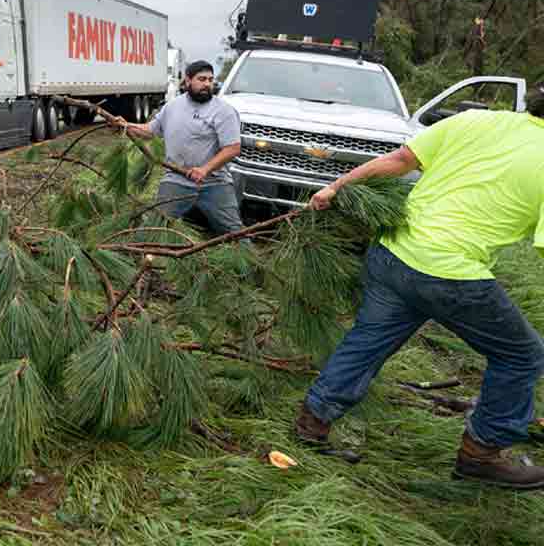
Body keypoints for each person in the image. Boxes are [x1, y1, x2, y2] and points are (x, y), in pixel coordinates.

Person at [296, 83, 544, 489]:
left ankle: (313, 421)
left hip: (392, 253)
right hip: (450, 274)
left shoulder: (475, 120)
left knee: (369, 340)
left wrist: (336, 186)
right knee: (522, 356)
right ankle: (481, 453)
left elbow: (399, 160)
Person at [119, 60, 243, 235]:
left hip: (215, 183)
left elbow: (233, 148)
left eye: (210, 79)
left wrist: (204, 170)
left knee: (234, 232)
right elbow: (150, 131)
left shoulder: (224, 111)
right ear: (187, 80)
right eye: (201, 79)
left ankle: (248, 262)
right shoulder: (172, 107)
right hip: (176, 179)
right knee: (153, 228)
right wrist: (125, 125)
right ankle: (141, 258)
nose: (207, 84)